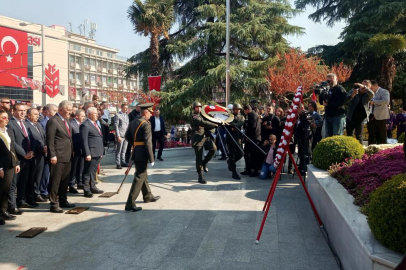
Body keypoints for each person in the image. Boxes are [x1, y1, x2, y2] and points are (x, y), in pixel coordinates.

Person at [124, 103, 160, 212]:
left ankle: (147, 195)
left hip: (136, 151)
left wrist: (136, 144)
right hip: (143, 153)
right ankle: (130, 203)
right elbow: (148, 142)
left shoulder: (133, 122)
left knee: (142, 174)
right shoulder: (146, 124)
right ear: (145, 113)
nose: (151, 115)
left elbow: (126, 136)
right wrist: (151, 158)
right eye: (150, 113)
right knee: (139, 176)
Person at [46, 101, 75, 213]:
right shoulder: (53, 121)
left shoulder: (66, 120)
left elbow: (68, 138)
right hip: (57, 156)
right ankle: (54, 203)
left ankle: (63, 200)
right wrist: (52, 155)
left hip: (67, 155)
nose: (70, 112)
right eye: (68, 110)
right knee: (55, 181)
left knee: (64, 180)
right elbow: (50, 140)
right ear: (61, 109)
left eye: (71, 110)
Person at [8, 103, 35, 211]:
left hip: (28, 157)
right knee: (13, 183)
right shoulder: (10, 124)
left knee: (24, 181)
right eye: (20, 110)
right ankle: (12, 206)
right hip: (17, 158)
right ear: (14, 111)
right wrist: (24, 153)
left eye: (24, 110)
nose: (23, 112)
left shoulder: (26, 124)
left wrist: (31, 151)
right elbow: (13, 143)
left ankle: (21, 201)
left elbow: (32, 139)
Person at [0, 110, 20, 224]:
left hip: (10, 163)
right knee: (1, 190)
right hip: (2, 166)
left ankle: (4, 211)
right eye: (4, 118)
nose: (7, 119)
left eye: (7, 117)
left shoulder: (8, 130)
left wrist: (16, 163)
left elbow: (12, 148)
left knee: (7, 189)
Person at [190, 102, 218, 184]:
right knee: (199, 157)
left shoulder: (204, 114)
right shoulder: (194, 116)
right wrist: (214, 124)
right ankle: (200, 176)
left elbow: (210, 118)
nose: (198, 108)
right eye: (196, 107)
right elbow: (202, 122)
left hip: (205, 136)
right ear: (194, 108)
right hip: (197, 138)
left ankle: (204, 162)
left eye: (199, 107)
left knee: (214, 149)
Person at [80, 107, 105, 198]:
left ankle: (93, 186)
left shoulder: (95, 124)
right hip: (91, 152)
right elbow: (84, 141)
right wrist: (87, 153)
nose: (97, 115)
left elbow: (99, 137)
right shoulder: (85, 125)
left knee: (93, 171)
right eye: (95, 113)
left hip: (97, 151)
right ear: (89, 114)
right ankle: (86, 189)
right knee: (87, 171)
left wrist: (101, 151)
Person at [25, 108, 47, 203]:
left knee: (39, 176)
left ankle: (37, 193)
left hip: (41, 155)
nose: (38, 116)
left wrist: (45, 146)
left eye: (38, 114)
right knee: (32, 177)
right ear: (29, 115)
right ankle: (30, 196)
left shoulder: (38, 124)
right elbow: (32, 140)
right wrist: (41, 148)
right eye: (35, 114)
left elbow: (44, 137)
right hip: (33, 154)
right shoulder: (26, 125)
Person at [320, 73, 347, 137]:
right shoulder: (327, 89)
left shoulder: (340, 89)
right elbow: (322, 100)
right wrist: (321, 94)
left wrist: (329, 104)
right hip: (328, 115)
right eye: (328, 81)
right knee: (328, 136)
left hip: (337, 116)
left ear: (336, 80)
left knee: (336, 136)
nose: (330, 82)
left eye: (332, 80)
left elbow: (341, 102)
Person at [241, 104, 262, 177]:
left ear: (247, 110)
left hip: (253, 138)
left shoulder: (252, 116)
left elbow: (252, 127)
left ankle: (255, 170)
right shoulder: (252, 115)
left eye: (244, 110)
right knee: (247, 154)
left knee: (254, 155)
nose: (244, 112)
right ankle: (248, 169)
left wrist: (247, 135)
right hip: (251, 138)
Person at [367, 80, 390, 145]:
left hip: (381, 116)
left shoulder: (384, 91)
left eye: (371, 88)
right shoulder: (369, 93)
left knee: (381, 135)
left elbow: (386, 101)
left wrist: (374, 102)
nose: (370, 89)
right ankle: (370, 149)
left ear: (376, 86)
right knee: (371, 134)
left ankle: (382, 151)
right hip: (371, 116)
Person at [226, 104, 245, 179]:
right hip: (231, 139)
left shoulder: (241, 116)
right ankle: (234, 172)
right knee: (232, 156)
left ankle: (230, 162)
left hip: (238, 138)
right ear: (233, 109)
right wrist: (232, 125)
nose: (238, 111)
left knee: (241, 153)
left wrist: (235, 125)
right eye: (236, 109)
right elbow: (227, 125)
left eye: (239, 109)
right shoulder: (229, 116)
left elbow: (242, 122)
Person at [69, 109, 85, 193]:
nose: (83, 118)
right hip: (75, 149)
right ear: (77, 116)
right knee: (74, 167)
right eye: (82, 116)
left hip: (82, 149)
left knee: (81, 166)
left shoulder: (83, 124)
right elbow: (70, 138)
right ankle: (71, 184)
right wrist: (72, 149)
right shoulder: (71, 124)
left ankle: (80, 182)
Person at [114, 103, 129, 169]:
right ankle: (118, 163)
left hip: (126, 135)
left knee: (124, 150)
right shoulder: (117, 115)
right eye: (125, 108)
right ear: (121, 108)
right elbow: (116, 126)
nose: (126, 109)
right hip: (120, 134)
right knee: (119, 150)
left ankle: (123, 162)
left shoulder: (127, 115)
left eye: (127, 108)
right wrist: (118, 135)